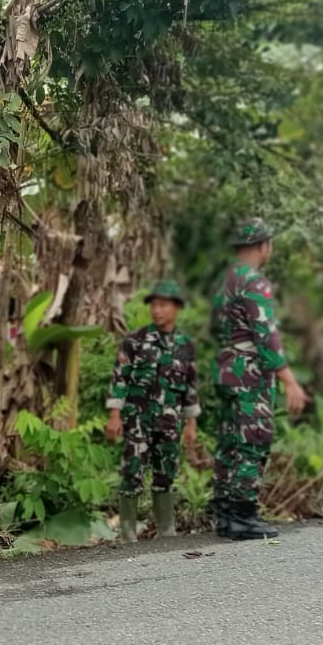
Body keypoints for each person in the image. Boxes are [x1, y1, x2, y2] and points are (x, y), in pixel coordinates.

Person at [209, 217, 308, 541]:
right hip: (249, 373)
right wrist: (290, 381)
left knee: (228, 440)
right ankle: (242, 515)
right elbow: (266, 336)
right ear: (263, 245)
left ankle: (224, 514)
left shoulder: (224, 280)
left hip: (225, 370)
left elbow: (216, 329)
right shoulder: (254, 282)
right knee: (254, 439)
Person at [106, 279, 202, 541]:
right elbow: (120, 378)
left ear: (176, 308)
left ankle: (166, 530)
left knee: (166, 473)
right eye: (154, 305)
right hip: (138, 419)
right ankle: (127, 532)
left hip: (170, 422)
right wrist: (115, 416)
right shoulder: (134, 341)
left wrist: (191, 424)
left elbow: (190, 386)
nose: (156, 310)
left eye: (162, 305)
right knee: (132, 471)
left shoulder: (185, 345)